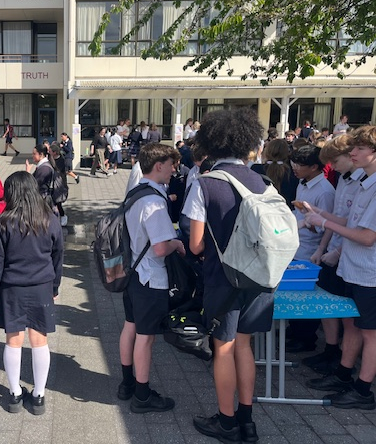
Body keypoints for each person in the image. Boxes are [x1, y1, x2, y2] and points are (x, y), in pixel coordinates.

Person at [183, 108, 276, 443]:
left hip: (223, 277)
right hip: (260, 277)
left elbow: (195, 245)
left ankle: (225, 422)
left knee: (223, 347)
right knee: (245, 345)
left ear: (211, 142)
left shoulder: (205, 184)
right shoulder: (264, 182)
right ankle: (247, 420)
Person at [304, 126, 376, 410]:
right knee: (354, 325)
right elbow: (350, 222)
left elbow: (367, 237)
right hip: (355, 268)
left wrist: (323, 223)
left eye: (359, 148)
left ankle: (363, 390)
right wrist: (320, 214)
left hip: (369, 272)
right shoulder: (365, 183)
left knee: (370, 333)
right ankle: (344, 374)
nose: (353, 153)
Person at [0, 171, 64, 415]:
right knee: (40, 340)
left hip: (11, 288)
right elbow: (58, 256)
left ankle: (14, 394)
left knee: (13, 340)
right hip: (42, 286)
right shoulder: (50, 219)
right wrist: (55, 286)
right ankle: (39, 395)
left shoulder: (2, 222)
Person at [117, 142, 184, 414]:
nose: (173, 171)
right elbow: (159, 248)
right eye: (170, 166)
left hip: (132, 272)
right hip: (151, 277)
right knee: (145, 337)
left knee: (130, 327)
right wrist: (176, 243)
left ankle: (127, 384)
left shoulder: (135, 192)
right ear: (158, 165)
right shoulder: (154, 201)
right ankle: (142, 396)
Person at [302, 135, 364, 374]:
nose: (333, 167)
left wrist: (337, 251)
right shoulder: (343, 179)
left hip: (349, 253)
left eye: (335, 161)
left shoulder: (362, 182)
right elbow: (335, 219)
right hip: (335, 248)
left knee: (347, 314)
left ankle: (343, 362)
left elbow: (358, 227)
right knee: (327, 303)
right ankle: (330, 349)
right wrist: (322, 248)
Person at [286, 145, 335, 353]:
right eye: (294, 163)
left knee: (307, 297)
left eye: (300, 164)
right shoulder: (302, 183)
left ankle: (306, 338)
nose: (295, 168)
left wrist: (320, 248)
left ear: (314, 166)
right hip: (297, 244)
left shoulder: (325, 191)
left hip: (311, 249)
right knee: (294, 292)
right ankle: (295, 330)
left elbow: (329, 225)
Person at [50, 143, 69, 226]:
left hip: (60, 184)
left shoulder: (61, 160)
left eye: (50, 151)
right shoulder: (50, 159)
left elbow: (57, 171)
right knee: (52, 202)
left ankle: (63, 216)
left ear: (54, 152)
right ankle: (54, 217)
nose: (49, 153)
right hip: (52, 183)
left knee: (58, 202)